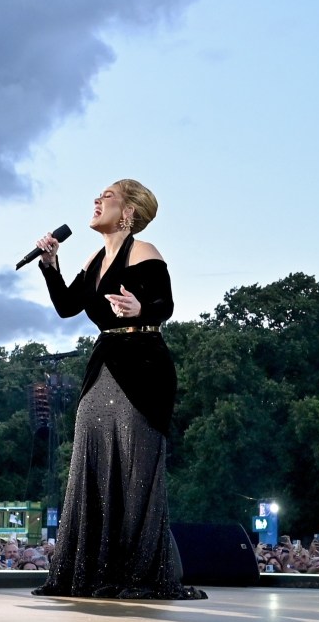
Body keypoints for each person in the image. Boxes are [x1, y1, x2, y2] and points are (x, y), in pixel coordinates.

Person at [30, 180, 205, 600]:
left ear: (127, 211)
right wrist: (51, 265)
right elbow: (68, 306)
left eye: (106, 196)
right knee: (90, 461)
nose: (96, 201)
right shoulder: (94, 258)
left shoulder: (144, 251)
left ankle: (139, 573)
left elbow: (166, 304)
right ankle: (89, 571)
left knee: (135, 469)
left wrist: (142, 308)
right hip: (105, 360)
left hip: (143, 365)